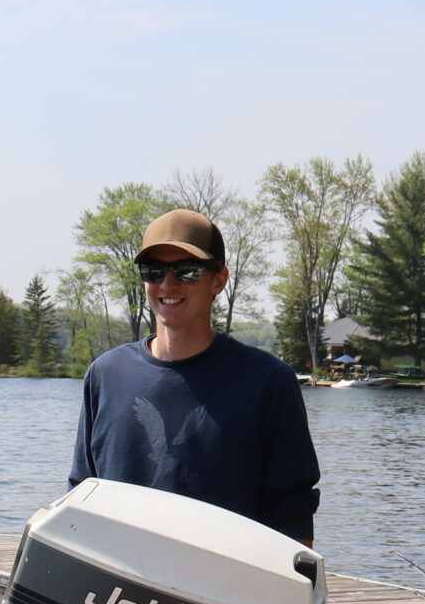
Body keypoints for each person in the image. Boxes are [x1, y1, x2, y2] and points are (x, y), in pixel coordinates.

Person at [70, 209, 320, 544]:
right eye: (154, 271)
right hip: (118, 586)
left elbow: (292, 515)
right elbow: (82, 494)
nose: (168, 284)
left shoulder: (267, 382)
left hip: (223, 587)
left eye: (187, 271)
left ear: (219, 280)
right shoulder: (106, 375)